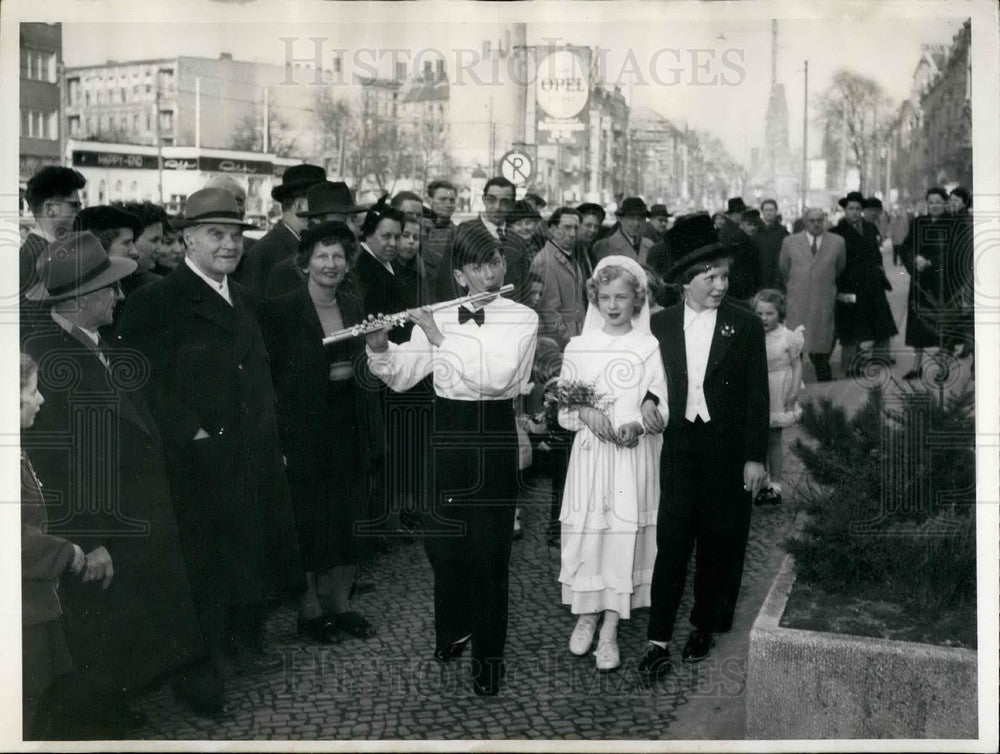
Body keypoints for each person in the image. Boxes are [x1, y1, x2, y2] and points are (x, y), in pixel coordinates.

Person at [117, 188, 305, 716]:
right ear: (189, 239)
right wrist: (189, 433)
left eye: (235, 235)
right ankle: (201, 675)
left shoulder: (242, 295)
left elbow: (258, 373)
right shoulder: (157, 300)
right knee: (204, 565)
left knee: (250, 548)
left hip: (252, 451)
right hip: (198, 459)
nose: (229, 246)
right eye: (216, 236)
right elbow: (142, 382)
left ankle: (242, 642)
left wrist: (273, 437)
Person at [22, 232, 204, 732]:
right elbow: (54, 466)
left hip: (133, 516)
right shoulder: (45, 359)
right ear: (80, 300)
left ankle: (116, 704)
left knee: (126, 626)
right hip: (101, 525)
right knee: (101, 630)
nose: (120, 297)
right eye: (110, 289)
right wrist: (90, 540)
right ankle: (100, 719)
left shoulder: (98, 341)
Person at [366, 224, 539, 696]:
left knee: (491, 553)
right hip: (446, 433)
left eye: (495, 263)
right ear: (461, 276)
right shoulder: (444, 314)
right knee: (442, 544)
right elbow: (402, 375)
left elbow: (497, 377)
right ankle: (455, 626)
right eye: (477, 268)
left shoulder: (521, 317)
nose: (489, 274)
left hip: (491, 434)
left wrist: (440, 338)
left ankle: (488, 663)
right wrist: (380, 348)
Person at [637, 212, 769, 679]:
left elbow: (758, 396)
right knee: (671, 542)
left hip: (729, 451)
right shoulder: (660, 326)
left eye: (724, 276)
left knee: (721, 541)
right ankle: (656, 638)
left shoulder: (745, 325)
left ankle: (705, 624)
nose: (719, 285)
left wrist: (756, 457)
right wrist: (648, 402)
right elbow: (649, 382)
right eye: (710, 278)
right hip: (679, 447)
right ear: (686, 281)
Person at [261, 221, 383, 642]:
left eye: (338, 257)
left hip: (349, 419)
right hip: (305, 425)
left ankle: (342, 603)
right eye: (321, 256)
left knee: (349, 513)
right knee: (309, 516)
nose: (330, 264)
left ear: (348, 264)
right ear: (305, 262)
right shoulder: (282, 309)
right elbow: (273, 378)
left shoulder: (354, 303)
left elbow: (368, 363)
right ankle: (309, 610)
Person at [557, 256, 668, 672]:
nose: (613, 304)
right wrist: (584, 413)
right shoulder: (579, 345)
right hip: (590, 457)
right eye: (604, 297)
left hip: (629, 457)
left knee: (622, 534)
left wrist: (639, 423)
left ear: (637, 299)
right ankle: (586, 613)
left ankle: (609, 627)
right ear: (594, 299)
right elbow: (564, 410)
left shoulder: (648, 346)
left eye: (622, 296)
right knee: (589, 533)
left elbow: (660, 403)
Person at [20, 352, 87, 740]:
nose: (42, 399)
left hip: (35, 606)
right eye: (33, 390)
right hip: (22, 616)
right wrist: (67, 553)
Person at [830, 191, 898, 378]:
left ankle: (882, 357)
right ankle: (851, 366)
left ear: (862, 210)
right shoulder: (837, 232)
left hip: (873, 283)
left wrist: (880, 268)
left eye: (858, 208)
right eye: (850, 208)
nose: (854, 212)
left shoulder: (869, 228)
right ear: (844, 210)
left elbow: (876, 253)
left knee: (881, 320)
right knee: (851, 326)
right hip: (848, 286)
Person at [434, 176, 532, 306]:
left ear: (512, 205)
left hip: (509, 320)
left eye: (504, 202)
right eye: (492, 200)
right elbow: (447, 285)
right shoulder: (462, 232)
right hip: (473, 319)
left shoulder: (518, 241)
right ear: (484, 200)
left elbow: (524, 291)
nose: (497, 207)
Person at [266, 180, 370, 298]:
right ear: (315, 224)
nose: (353, 228)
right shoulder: (286, 273)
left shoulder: (353, 267)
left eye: (353, 219)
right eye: (343, 221)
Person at [778, 208, 847, 382]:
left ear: (824, 220)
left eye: (819, 220)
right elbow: (784, 268)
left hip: (823, 299)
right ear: (805, 222)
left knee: (821, 339)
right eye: (812, 221)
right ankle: (794, 380)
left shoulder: (837, 242)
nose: (816, 224)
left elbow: (839, 267)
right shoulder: (790, 242)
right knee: (796, 341)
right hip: (798, 299)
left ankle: (824, 379)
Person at [238, 163, 327, 297]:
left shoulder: (311, 244)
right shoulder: (264, 253)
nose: (325, 210)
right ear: (300, 205)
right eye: (321, 203)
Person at [751, 289, 803, 506]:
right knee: (757, 439)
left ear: (779, 313)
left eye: (770, 313)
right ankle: (760, 483)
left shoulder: (788, 337)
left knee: (773, 438)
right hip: (757, 388)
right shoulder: (752, 333)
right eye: (760, 313)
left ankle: (775, 484)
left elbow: (797, 363)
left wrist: (793, 391)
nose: (764, 318)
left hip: (778, 388)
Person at [18, 166, 87, 332]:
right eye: (74, 205)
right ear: (50, 209)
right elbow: (43, 328)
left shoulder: (39, 251)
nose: (80, 211)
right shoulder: (40, 256)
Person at [898, 187, 953, 380]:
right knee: (917, 326)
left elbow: (956, 254)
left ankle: (943, 366)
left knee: (942, 326)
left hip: (942, 284)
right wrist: (914, 260)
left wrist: (931, 262)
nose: (935, 206)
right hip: (920, 283)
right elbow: (906, 247)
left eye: (938, 202)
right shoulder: (918, 222)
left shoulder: (952, 224)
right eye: (931, 202)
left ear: (945, 203)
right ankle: (916, 366)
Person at [528, 206, 587, 348]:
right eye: (567, 227)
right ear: (552, 230)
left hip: (575, 339)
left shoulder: (568, 255)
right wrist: (569, 341)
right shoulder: (545, 260)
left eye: (576, 228)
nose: (572, 233)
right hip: (559, 343)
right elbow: (549, 311)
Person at [354, 198, 407, 331]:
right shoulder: (359, 269)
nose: (394, 243)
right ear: (368, 234)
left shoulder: (394, 263)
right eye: (386, 236)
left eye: (397, 237)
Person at [592, 197, 654, 264]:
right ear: (620, 219)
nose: (636, 223)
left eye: (640, 218)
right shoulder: (605, 246)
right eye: (631, 218)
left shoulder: (649, 245)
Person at [422, 179, 458, 290]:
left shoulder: (459, 233)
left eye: (452, 200)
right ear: (430, 201)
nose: (448, 204)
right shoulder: (417, 231)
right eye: (442, 199)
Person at [754, 198, 789, 290]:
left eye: (771, 210)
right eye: (766, 210)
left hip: (777, 276)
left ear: (776, 211)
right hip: (760, 274)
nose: (768, 213)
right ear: (762, 212)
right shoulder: (756, 231)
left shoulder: (783, 232)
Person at [576, 202, 606, 273]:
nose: (593, 230)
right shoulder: (571, 251)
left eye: (596, 226)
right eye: (588, 225)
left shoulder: (588, 249)